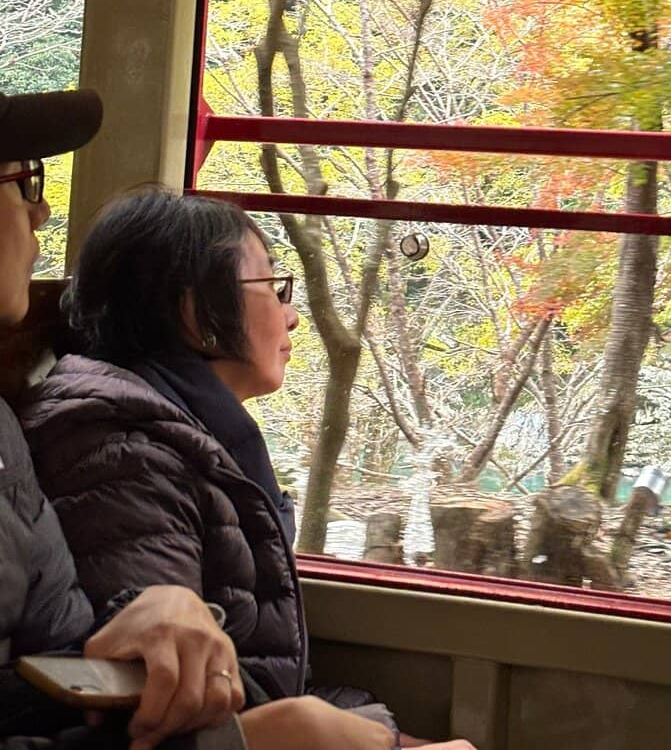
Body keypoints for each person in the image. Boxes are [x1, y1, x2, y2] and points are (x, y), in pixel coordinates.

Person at [0, 88, 471, 750]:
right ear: (194, 314)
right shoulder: (116, 447)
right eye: (274, 287)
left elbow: (68, 664)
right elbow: (157, 705)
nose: (41, 208)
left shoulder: (73, 433)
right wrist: (322, 732)